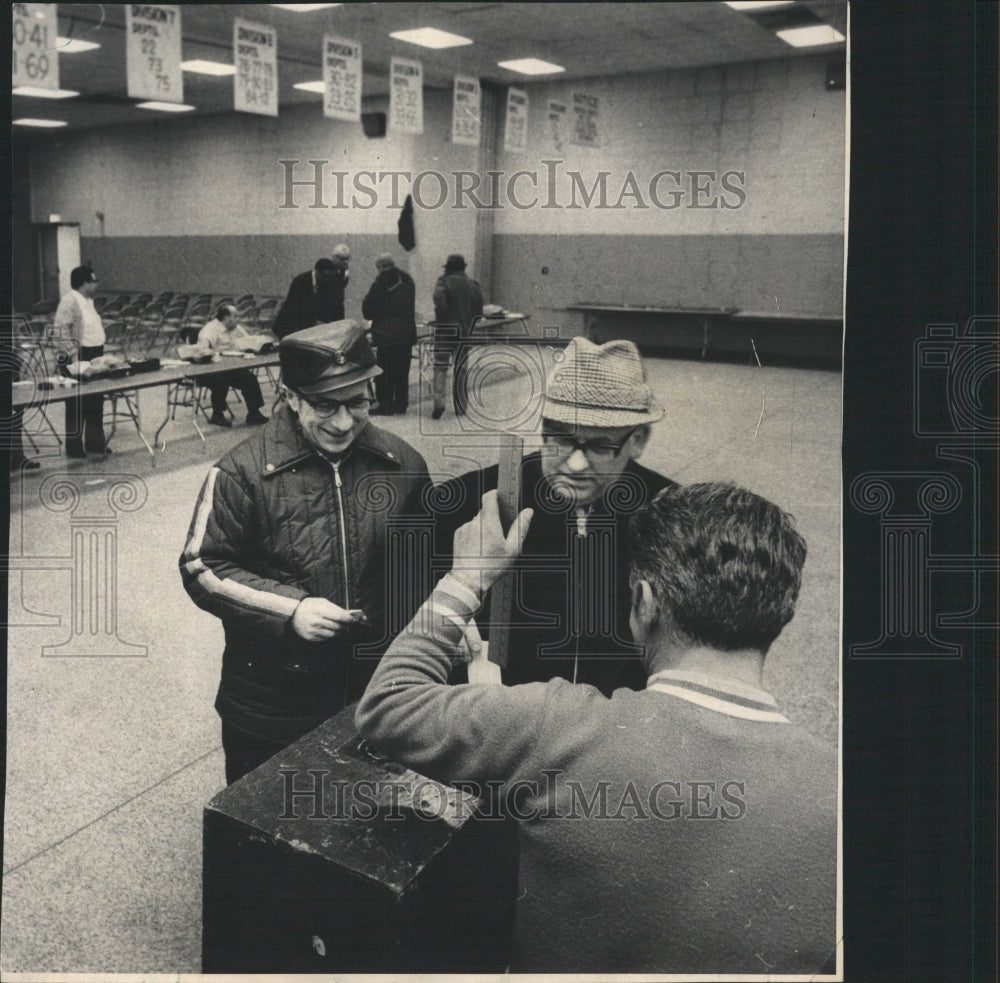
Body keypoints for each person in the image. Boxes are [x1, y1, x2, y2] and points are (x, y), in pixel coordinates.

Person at [357, 483, 837, 975]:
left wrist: (464, 580)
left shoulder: (557, 725)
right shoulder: (840, 790)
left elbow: (389, 704)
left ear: (644, 601)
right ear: (781, 612)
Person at [180, 319, 431, 785]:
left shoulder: (403, 465)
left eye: (357, 402)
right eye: (324, 404)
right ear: (291, 397)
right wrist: (291, 609)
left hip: (371, 691)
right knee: (266, 826)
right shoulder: (241, 473)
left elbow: (425, 570)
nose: (343, 421)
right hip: (272, 704)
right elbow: (202, 566)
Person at [432, 336, 675, 695]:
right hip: (505, 719)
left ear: (637, 440)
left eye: (598, 445)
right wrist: (447, 623)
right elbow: (406, 597)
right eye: (559, 438)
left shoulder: (675, 514)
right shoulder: (469, 499)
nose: (575, 464)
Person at [52, 265, 108, 458]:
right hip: (77, 356)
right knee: (76, 403)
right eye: (94, 281)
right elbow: (60, 331)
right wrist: (73, 355)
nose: (97, 284)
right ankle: (74, 447)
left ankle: (95, 443)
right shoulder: (69, 302)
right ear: (85, 283)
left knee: (95, 399)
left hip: (93, 354)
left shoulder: (88, 301)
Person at [196, 303, 269, 428]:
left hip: (230, 368)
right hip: (208, 370)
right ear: (226, 318)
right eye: (235, 317)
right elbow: (202, 348)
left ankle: (254, 413)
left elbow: (249, 340)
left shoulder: (235, 327)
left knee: (250, 379)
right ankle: (217, 415)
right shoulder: (210, 329)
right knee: (220, 380)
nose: (238, 319)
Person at [361, 253, 417, 415]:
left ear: (380, 267)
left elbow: (368, 311)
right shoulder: (407, 279)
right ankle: (401, 404)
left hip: (386, 335)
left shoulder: (380, 282)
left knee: (384, 372)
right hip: (406, 334)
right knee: (402, 371)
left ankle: (385, 405)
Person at [431, 253, 483, 419]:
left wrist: (441, 321)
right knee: (461, 369)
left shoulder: (443, 282)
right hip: (465, 332)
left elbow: (440, 305)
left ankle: (439, 403)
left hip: (446, 330)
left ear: (448, 268)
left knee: (440, 366)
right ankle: (461, 406)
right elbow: (478, 312)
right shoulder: (474, 285)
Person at [273, 244, 351, 338]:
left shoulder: (330, 280)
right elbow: (298, 309)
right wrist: (315, 322)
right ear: (317, 272)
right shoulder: (300, 281)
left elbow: (334, 306)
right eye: (325, 278)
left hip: (310, 327)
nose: (326, 281)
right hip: (290, 325)